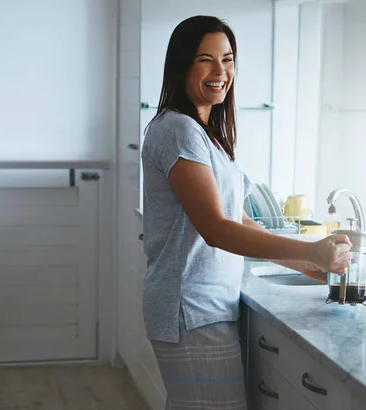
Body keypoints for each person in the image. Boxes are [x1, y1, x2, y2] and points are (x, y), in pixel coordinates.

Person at [140, 15, 352, 410]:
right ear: (182, 65)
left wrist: (301, 263)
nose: (221, 72)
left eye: (228, 59)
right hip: (191, 310)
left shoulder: (204, 134)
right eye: (206, 59)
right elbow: (216, 230)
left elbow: (236, 218)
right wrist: (310, 250)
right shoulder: (178, 131)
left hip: (200, 308)